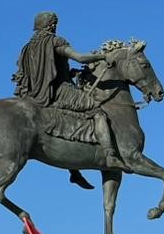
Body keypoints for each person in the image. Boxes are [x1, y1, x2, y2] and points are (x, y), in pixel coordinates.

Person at [12, 10, 120, 171]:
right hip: (58, 91)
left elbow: (41, 72)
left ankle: (75, 171)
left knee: (72, 118)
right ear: (49, 25)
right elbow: (80, 58)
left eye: (55, 23)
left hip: (32, 93)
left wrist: (69, 73)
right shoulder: (55, 42)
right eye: (53, 23)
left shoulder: (27, 48)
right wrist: (104, 57)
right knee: (98, 112)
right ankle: (110, 155)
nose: (55, 26)